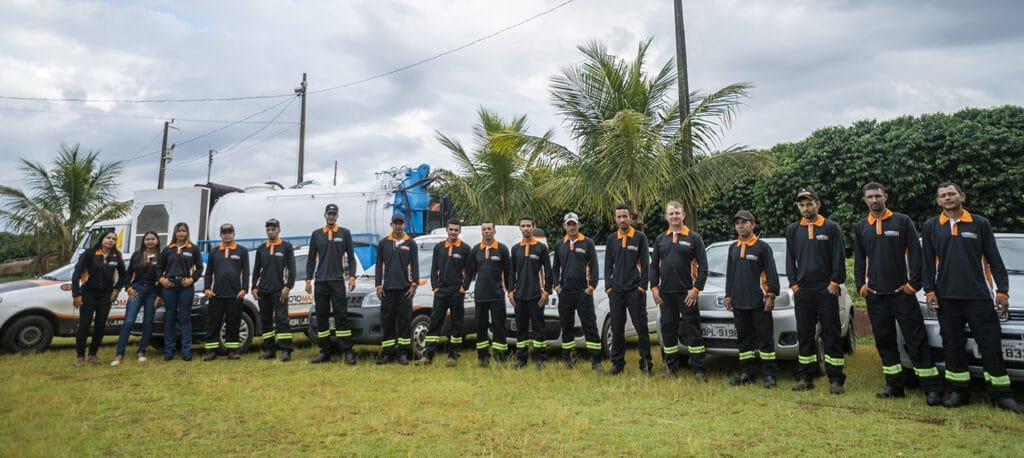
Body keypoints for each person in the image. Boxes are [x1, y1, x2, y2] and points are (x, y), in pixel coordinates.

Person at [922, 182, 1022, 413]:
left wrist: (1002, 292)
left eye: (952, 194)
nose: (948, 198)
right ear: (938, 201)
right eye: (943, 196)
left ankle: (1002, 394)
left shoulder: (979, 224)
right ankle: (958, 392)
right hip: (947, 299)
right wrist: (929, 291)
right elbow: (927, 263)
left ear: (962, 197)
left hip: (979, 298)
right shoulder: (931, 226)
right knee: (952, 346)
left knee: (990, 345)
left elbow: (995, 261)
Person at [853, 182, 942, 405]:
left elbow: (916, 255)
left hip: (902, 294)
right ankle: (894, 385)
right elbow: (858, 259)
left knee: (916, 340)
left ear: (886, 197)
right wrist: (861, 287)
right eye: (870, 197)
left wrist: (913, 286)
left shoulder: (902, 221)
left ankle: (931, 389)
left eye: (878, 196)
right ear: (865, 200)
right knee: (884, 342)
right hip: (876, 296)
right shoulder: (862, 226)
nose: (874, 200)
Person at [785, 188, 847, 394]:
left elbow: (839, 257)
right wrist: (794, 286)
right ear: (798, 207)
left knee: (831, 335)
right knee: (805, 334)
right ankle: (805, 377)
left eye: (809, 203)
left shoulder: (831, 227)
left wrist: (834, 283)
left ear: (818, 204)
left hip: (826, 290)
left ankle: (836, 379)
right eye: (802, 204)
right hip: (803, 291)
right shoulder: (793, 229)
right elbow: (789, 260)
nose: (805, 207)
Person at [650, 201, 708, 381]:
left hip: (687, 294)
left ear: (683, 215)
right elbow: (653, 267)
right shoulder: (661, 239)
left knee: (693, 330)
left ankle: (698, 370)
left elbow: (703, 267)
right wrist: (654, 288)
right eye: (671, 213)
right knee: (668, 331)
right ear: (666, 217)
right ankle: (670, 368)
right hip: (665, 294)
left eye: (677, 213)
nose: (674, 216)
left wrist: (696, 289)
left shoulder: (694, 238)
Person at [724, 211, 780, 388]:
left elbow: (771, 273)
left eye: (744, 222)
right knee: (744, 340)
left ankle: (770, 375)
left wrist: (771, 295)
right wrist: (728, 295)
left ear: (753, 225)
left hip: (759, 303)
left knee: (764, 340)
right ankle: (747, 373)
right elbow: (730, 275)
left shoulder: (762, 247)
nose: (740, 225)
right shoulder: (732, 247)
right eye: (737, 223)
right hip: (739, 303)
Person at [306, 203, 358, 364]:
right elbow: (310, 259)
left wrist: (352, 277)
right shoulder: (316, 234)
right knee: (322, 317)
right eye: (329, 214)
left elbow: (350, 257)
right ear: (325, 215)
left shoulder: (345, 233)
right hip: (321, 282)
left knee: (341, 317)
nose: (331, 216)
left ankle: (347, 351)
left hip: (337, 282)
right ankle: (325, 351)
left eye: (334, 214)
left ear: (337, 216)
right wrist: (308, 279)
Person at [604, 204, 652, 375]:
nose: (622, 220)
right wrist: (608, 288)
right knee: (617, 327)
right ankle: (617, 364)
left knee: (641, 327)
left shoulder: (640, 238)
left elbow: (646, 265)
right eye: (619, 217)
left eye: (625, 216)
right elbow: (608, 265)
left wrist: (641, 288)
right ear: (615, 219)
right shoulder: (611, 239)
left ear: (630, 218)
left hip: (635, 290)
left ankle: (645, 363)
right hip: (616, 291)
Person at [552, 212, 602, 371]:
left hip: (583, 293)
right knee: (566, 326)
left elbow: (594, 266)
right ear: (564, 226)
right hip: (565, 293)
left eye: (574, 224)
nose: (572, 227)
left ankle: (596, 361)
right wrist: (557, 287)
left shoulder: (587, 243)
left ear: (579, 225)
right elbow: (555, 269)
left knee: (590, 326)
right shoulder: (560, 244)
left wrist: (591, 287)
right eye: (569, 224)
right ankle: (568, 358)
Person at [419, 218, 473, 367]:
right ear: (447, 230)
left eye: (456, 230)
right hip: (441, 291)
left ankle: (453, 356)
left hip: (457, 291)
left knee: (456, 323)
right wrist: (435, 286)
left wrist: (464, 287)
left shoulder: (465, 248)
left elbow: (470, 272)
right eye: (451, 229)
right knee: (435, 322)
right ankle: (428, 356)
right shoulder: (439, 247)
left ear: (460, 231)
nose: (453, 232)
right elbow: (433, 268)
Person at [71, 229, 126, 366]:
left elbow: (124, 275)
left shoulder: (116, 256)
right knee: (84, 324)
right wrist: (76, 294)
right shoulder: (90, 254)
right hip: (88, 293)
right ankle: (80, 356)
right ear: (102, 239)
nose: (111, 241)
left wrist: (116, 290)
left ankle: (93, 354)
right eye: (108, 238)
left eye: (113, 239)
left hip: (105, 295)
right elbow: (76, 273)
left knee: (101, 324)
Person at [508, 216, 553, 369]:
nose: (526, 228)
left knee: (538, 328)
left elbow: (548, 270)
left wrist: (546, 292)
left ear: (533, 227)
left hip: (536, 295)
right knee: (521, 328)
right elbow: (511, 272)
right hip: (519, 296)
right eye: (523, 226)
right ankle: (521, 359)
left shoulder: (541, 248)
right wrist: (510, 292)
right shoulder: (515, 248)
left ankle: (540, 359)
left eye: (528, 225)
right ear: (520, 228)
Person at [111, 231, 161, 366]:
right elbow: (127, 275)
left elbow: (162, 277)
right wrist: (128, 288)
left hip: (152, 291)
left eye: (153, 239)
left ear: (157, 241)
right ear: (143, 241)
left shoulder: (161, 256)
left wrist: (159, 295)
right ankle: (119, 354)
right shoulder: (137, 255)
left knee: (148, 321)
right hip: (136, 290)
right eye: (147, 239)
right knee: (129, 321)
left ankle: (141, 352)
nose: (150, 241)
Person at [374, 213, 419, 365]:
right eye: (395, 223)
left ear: (404, 225)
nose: (398, 226)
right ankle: (388, 353)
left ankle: (403, 354)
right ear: (391, 224)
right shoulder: (384, 243)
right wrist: (378, 285)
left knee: (404, 322)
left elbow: (415, 265)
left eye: (400, 223)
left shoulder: (410, 243)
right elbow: (378, 266)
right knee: (387, 322)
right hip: (387, 290)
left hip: (405, 290)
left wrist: (414, 285)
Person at [202, 223, 250, 361]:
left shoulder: (242, 251)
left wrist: (244, 289)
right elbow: (209, 273)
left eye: (229, 232)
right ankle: (211, 351)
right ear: (220, 235)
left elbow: (246, 272)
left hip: (235, 295)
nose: (227, 234)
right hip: (216, 295)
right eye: (224, 232)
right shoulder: (215, 251)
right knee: (213, 324)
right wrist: (206, 289)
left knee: (233, 323)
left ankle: (233, 351)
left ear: (234, 234)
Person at [251, 218, 297, 362]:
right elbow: (256, 269)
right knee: (266, 321)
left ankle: (285, 350)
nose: (271, 232)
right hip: (263, 290)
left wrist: (288, 286)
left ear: (279, 230)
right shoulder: (261, 248)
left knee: (282, 319)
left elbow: (292, 268)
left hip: (279, 290)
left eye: (273, 229)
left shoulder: (286, 247)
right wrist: (253, 287)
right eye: (268, 230)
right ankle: (269, 350)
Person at [158, 222, 203, 361]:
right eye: (179, 231)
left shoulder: (193, 249)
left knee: (185, 318)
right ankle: (169, 351)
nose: (181, 233)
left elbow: (200, 268)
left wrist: (192, 279)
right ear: (175, 233)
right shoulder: (167, 249)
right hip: (170, 287)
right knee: (170, 318)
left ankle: (186, 351)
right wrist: (162, 280)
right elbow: (158, 268)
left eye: (184, 231)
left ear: (187, 232)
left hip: (186, 286)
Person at [468, 221, 511, 367]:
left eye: (489, 229)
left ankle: (500, 356)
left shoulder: (502, 249)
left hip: (497, 294)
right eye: (484, 229)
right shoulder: (475, 250)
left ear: (494, 231)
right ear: (481, 232)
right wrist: (463, 287)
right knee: (481, 326)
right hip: (480, 294)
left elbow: (509, 272)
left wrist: (510, 290)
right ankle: (483, 357)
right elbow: (470, 272)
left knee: (499, 326)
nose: (487, 231)